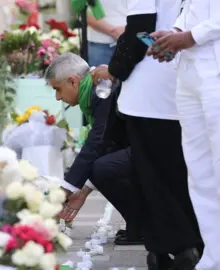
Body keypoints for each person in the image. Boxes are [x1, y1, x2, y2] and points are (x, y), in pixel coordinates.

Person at [90, 0, 204, 269]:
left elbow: (140, 28)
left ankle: (173, 247)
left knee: (152, 177)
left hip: (148, 91)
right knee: (184, 174)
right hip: (182, 85)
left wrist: (114, 70)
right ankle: (192, 243)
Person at [147, 1, 220, 269]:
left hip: (215, 72)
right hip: (189, 73)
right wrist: (172, 33)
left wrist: (188, 37)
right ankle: (214, 258)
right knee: (200, 173)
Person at [43, 52, 143, 245]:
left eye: (58, 89)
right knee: (101, 166)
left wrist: (66, 190)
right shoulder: (94, 91)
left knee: (103, 167)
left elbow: (97, 142)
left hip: (153, 150)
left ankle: (144, 225)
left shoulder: (101, 89)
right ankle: (139, 225)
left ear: (73, 81)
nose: (57, 97)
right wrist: (82, 190)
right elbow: (105, 143)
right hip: (139, 149)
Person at [86, 0, 128, 66]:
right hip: (100, 45)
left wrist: (129, 29)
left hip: (130, 42)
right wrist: (113, 32)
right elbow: (85, 13)